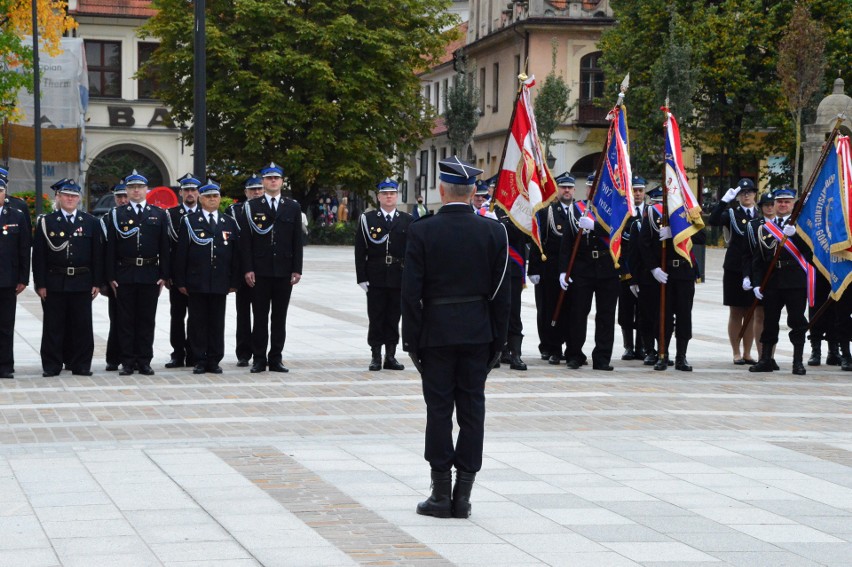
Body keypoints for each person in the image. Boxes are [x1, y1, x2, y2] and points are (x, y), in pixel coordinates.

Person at [401, 155, 510, 519]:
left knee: (439, 411)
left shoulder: (421, 230)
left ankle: (440, 494)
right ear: (473, 191)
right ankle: (462, 495)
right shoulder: (495, 231)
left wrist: (411, 341)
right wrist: (499, 341)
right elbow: (502, 294)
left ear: (442, 190)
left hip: (435, 332)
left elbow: (410, 293)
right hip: (478, 332)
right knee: (472, 412)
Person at [32, 180, 103, 377]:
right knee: (53, 326)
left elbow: (97, 255)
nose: (70, 199)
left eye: (73, 195)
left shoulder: (91, 222)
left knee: (82, 326)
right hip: (55, 280)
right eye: (66, 195)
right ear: (59, 197)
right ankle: (52, 365)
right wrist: (41, 284)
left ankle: (80, 364)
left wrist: (97, 282)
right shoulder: (47, 222)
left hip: (82, 281)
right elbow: (39, 257)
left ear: (79, 198)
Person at [104, 170, 170, 376]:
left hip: (150, 273)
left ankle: (144, 360)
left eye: (139, 187)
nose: (136, 191)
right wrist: (111, 275)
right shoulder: (116, 215)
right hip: (125, 273)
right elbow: (110, 248)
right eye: (132, 187)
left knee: (146, 320)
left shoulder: (158, 214)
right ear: (127, 190)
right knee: (125, 320)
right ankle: (127, 361)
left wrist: (163, 274)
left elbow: (165, 247)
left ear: (146, 190)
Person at [240, 162, 304, 373]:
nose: (273, 181)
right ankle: (259, 358)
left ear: (282, 182)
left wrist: (297, 268)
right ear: (263, 181)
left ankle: (275, 357)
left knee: (279, 317)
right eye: (268, 178)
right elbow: (246, 241)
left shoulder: (292, 206)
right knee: (259, 316)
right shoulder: (251, 206)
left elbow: (297, 241)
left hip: (284, 271)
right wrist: (248, 268)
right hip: (260, 270)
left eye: (276, 178)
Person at [174, 180, 241, 374]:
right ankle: (199, 358)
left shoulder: (228, 222)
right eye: (208, 196)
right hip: (197, 280)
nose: (212, 200)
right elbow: (182, 253)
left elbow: (235, 255)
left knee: (217, 322)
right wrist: (181, 280)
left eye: (215, 196)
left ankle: (214, 358)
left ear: (220, 198)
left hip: (220, 280)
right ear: (201, 198)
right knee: (197, 322)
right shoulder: (190, 221)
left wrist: (234, 281)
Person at [557, 173, 620, 371]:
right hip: (582, 267)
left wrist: (596, 227)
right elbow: (566, 242)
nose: (593, 190)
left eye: (598, 187)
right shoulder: (577, 209)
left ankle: (602, 357)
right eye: (591, 186)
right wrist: (562, 270)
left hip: (607, 265)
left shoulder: (613, 210)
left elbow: (619, 231)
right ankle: (575, 354)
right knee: (578, 312)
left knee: (606, 314)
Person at [639, 188, 706, 371]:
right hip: (664, 271)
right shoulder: (652, 213)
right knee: (663, 315)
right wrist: (653, 268)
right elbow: (643, 243)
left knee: (684, 315)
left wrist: (677, 230)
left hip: (684, 271)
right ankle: (663, 354)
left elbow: (702, 235)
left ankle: (681, 357)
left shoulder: (686, 212)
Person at [749, 187, 809, 375]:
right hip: (773, 281)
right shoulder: (764, 229)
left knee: (797, 321)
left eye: (787, 202)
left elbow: (811, 254)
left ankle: (797, 362)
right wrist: (757, 283)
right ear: (774, 204)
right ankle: (766, 359)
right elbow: (758, 260)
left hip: (795, 282)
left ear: (793, 204)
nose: (783, 205)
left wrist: (796, 237)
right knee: (770, 321)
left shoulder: (802, 228)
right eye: (779, 201)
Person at [355, 178, 412, 371]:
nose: (389, 196)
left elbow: (411, 252)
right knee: (376, 316)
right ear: (378, 196)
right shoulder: (368, 219)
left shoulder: (406, 220)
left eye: (392, 193)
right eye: (385, 193)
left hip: (398, 275)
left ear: (397, 196)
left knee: (394, 317)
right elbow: (360, 250)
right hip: (376, 276)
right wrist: (361, 277)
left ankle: (391, 355)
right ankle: (375, 355)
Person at [709, 178, 759, 365]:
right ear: (737, 196)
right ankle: (736, 352)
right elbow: (713, 221)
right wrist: (723, 201)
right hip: (735, 268)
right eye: (743, 193)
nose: (746, 195)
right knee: (736, 311)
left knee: (752, 313)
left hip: (755, 270)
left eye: (750, 192)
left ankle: (748, 352)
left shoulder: (760, 215)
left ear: (755, 194)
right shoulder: (731, 213)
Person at [528, 172, 575, 364]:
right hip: (551, 267)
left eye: (569, 187)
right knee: (548, 309)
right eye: (563, 187)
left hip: (572, 268)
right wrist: (534, 269)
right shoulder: (546, 212)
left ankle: (571, 347)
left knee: (571, 309)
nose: (566, 190)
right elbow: (537, 240)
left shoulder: (579, 211)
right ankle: (550, 346)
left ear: (574, 189)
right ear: (557, 190)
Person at [226, 174, 264, 366]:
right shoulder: (235, 210)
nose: (256, 192)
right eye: (252, 189)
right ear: (245, 192)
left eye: (259, 189)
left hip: (261, 269)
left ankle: (259, 351)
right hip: (241, 269)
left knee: (260, 312)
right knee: (242, 313)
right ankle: (243, 352)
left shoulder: (267, 209)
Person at [164, 173, 202, 369]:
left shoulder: (204, 214)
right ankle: (177, 353)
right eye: (186, 190)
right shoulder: (171, 215)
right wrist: (169, 275)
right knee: (177, 316)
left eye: (194, 190)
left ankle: (195, 353)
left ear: (199, 193)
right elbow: (167, 247)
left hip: (199, 275)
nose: (190, 193)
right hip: (178, 275)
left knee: (197, 317)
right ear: (180, 193)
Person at [0, 178, 31, 379]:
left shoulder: (16, 216)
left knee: (5, 324)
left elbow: (23, 249)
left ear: (5, 193)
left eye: (0, 190)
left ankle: (4, 365)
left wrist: (23, 278)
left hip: (7, 279)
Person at [743, 191, 778, 368]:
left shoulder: (785, 224)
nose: (770, 208)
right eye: (766, 205)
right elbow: (750, 253)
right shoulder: (754, 225)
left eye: (772, 204)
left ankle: (770, 355)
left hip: (780, 276)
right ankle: (761, 353)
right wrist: (748, 276)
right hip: (762, 274)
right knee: (760, 315)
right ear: (761, 207)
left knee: (773, 317)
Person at [617, 176, 648, 360]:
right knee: (626, 311)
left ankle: (641, 346)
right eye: (634, 190)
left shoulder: (650, 213)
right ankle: (628, 346)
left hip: (645, 271)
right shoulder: (624, 213)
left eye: (640, 190)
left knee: (644, 310)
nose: (637, 194)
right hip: (626, 270)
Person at [100, 183, 128, 371]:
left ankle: (131, 355)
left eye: (125, 196)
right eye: (119, 197)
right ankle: (113, 357)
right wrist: (105, 281)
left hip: (132, 275)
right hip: (115, 276)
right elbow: (103, 252)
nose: (123, 200)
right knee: (116, 319)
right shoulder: (108, 219)